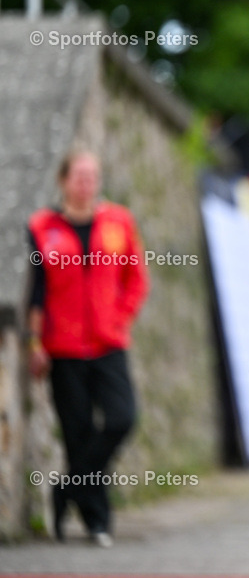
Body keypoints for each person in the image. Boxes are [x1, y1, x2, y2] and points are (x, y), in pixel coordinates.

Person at [26, 150, 149, 547]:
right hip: (61, 347)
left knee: (120, 418)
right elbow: (35, 291)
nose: (86, 183)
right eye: (79, 176)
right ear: (63, 181)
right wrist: (34, 342)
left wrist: (119, 317)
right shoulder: (43, 227)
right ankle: (98, 521)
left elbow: (135, 278)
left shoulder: (118, 222)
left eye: (92, 176)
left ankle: (66, 489)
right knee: (77, 431)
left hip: (108, 342)